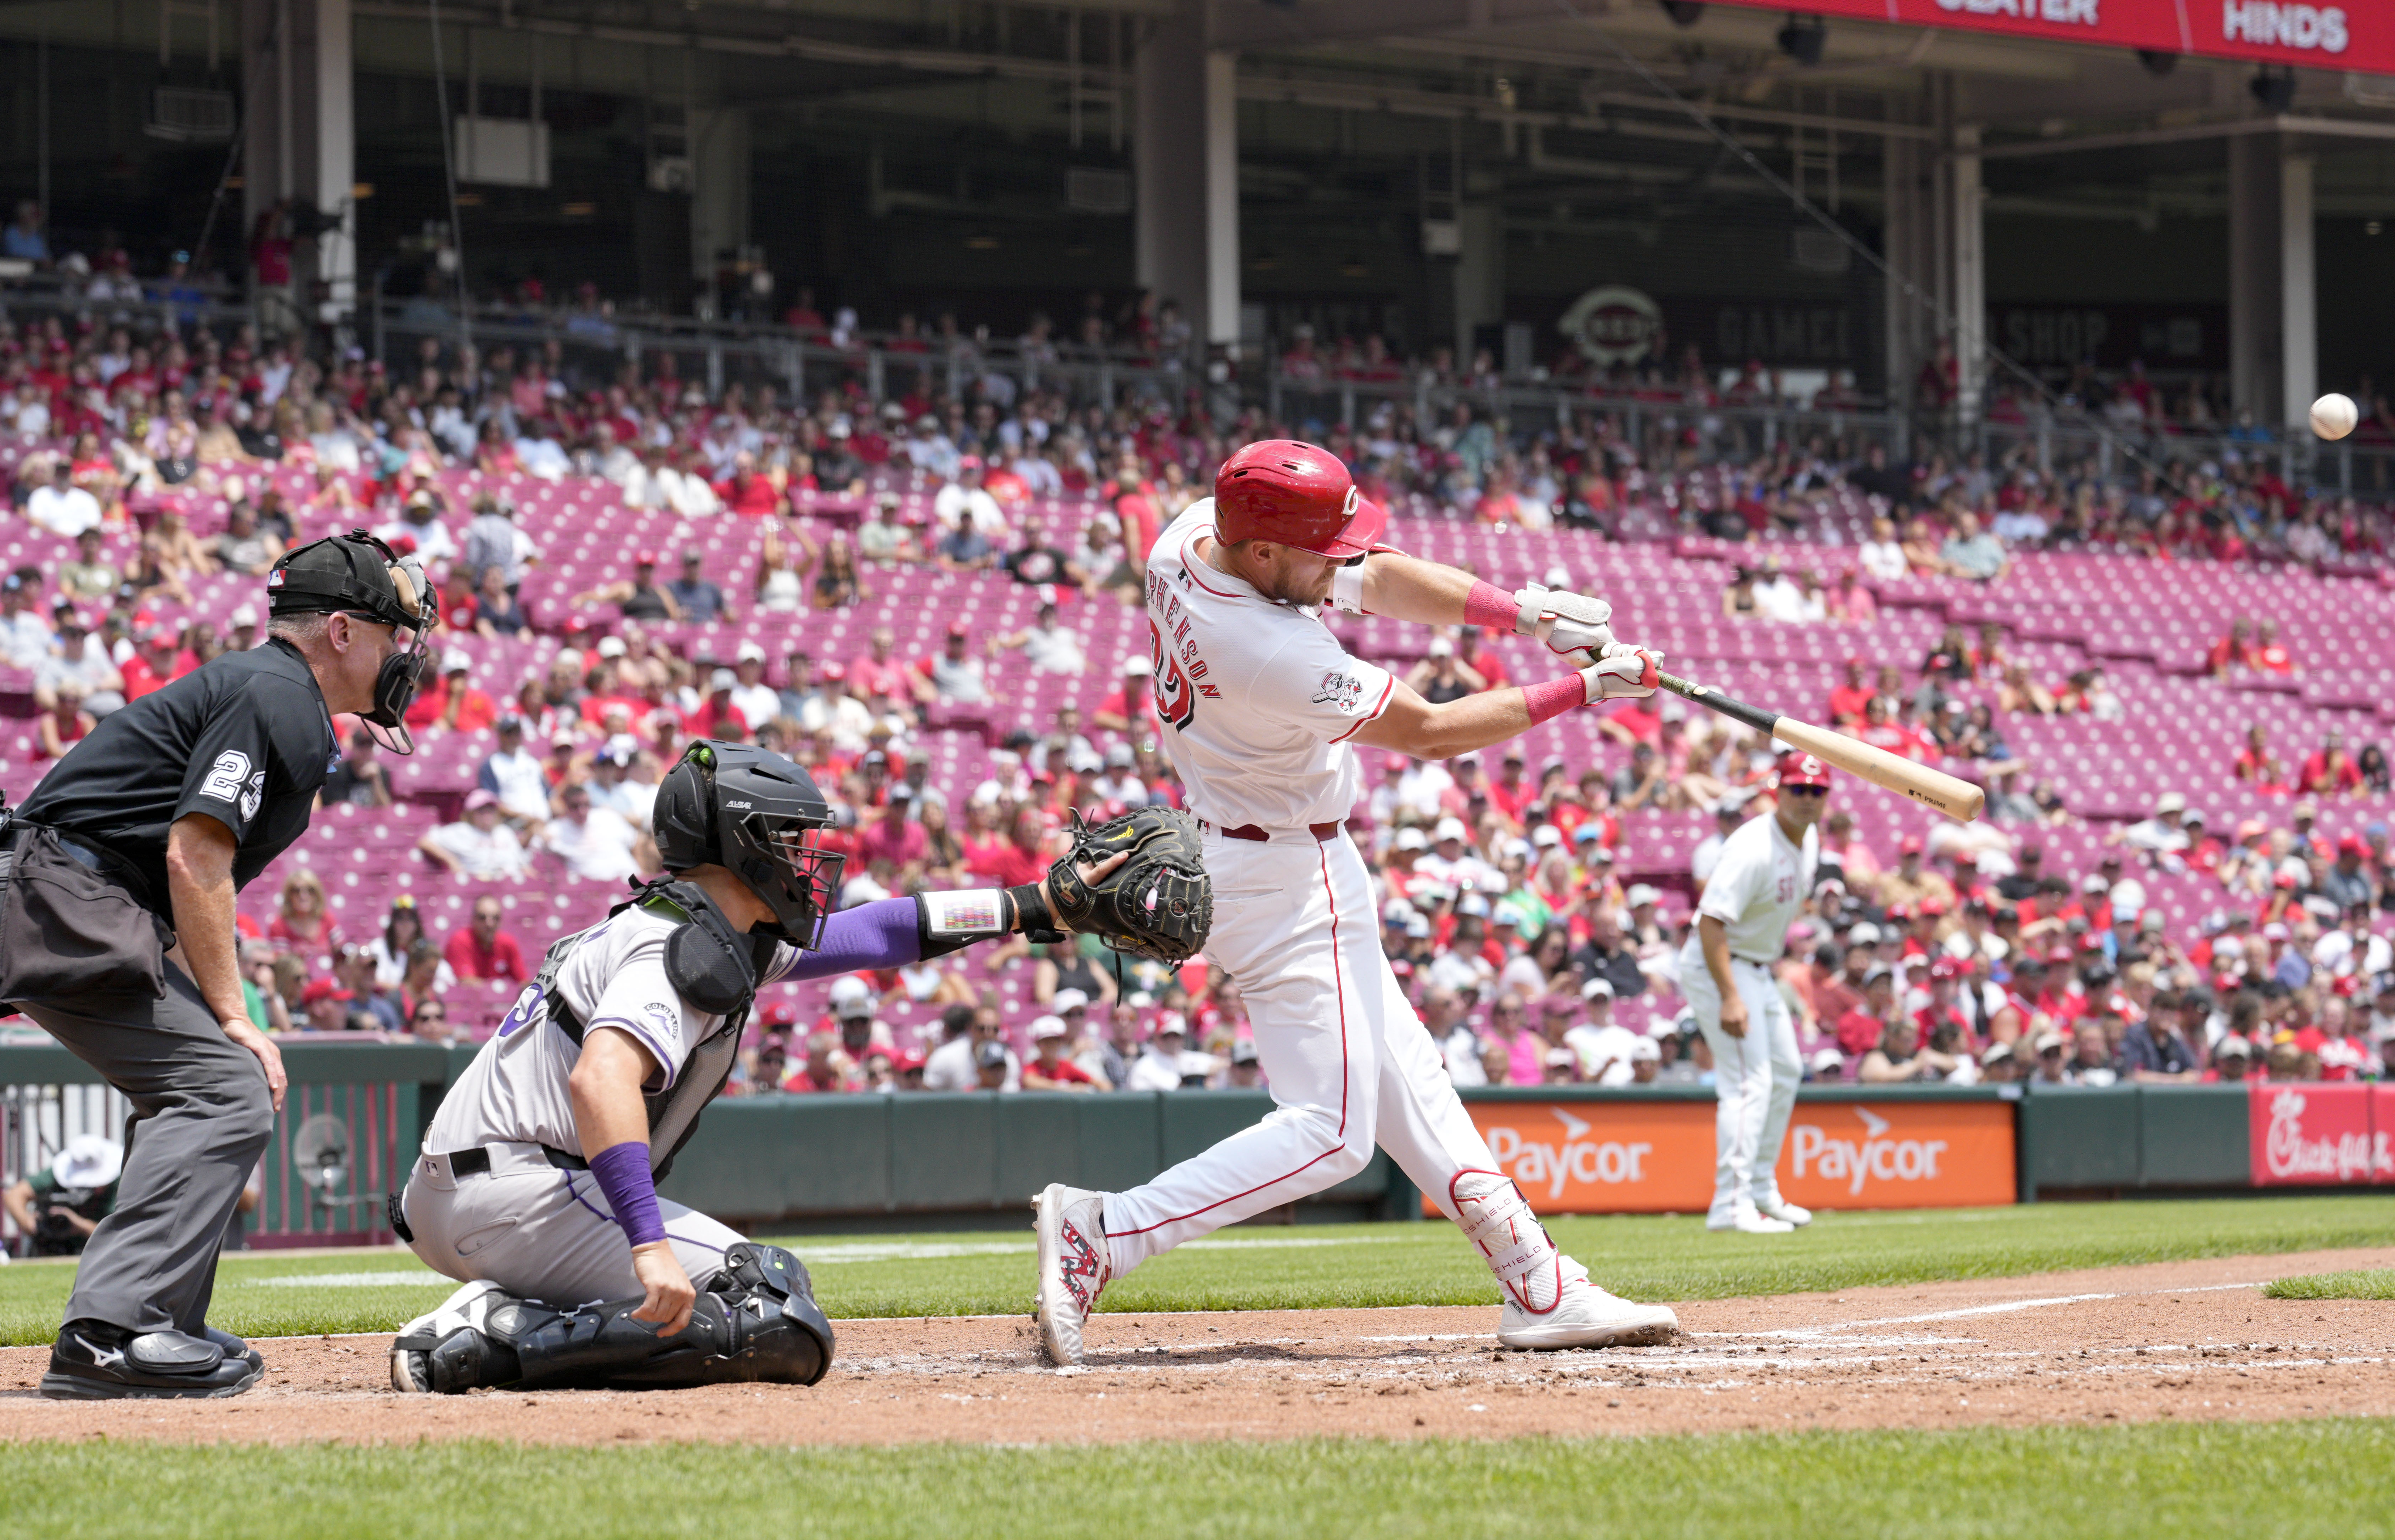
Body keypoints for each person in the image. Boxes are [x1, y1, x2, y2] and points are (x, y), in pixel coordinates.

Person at [1030, 438, 1676, 1365]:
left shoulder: (1188, 538)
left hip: (1264, 849)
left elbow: (1368, 577)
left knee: (1407, 1077)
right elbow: (1431, 730)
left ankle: (1541, 1284)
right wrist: (1577, 686)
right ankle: (1107, 1232)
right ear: (1261, 552)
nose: (1336, 558)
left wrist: (1523, 610)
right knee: (1335, 1135)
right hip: (1287, 878)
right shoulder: (1265, 646)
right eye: (1315, 548)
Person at [384, 741, 1131, 1393]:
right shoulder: (678, 948)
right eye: (789, 837)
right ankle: (498, 1337)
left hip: (471, 1191)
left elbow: (878, 932)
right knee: (772, 1312)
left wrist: (1032, 904)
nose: (805, 857)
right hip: (522, 1194)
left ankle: (511, 1315)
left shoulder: (701, 926)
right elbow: (600, 1079)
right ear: (742, 843)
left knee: (771, 1293)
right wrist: (648, 1246)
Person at [0, 530, 435, 1397]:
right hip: (60, 893)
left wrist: (230, 1013)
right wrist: (236, 1016)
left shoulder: (278, 693)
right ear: (340, 631)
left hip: (68, 894)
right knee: (225, 1086)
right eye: (391, 634)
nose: (402, 654)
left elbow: (192, 882)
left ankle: (162, 1317)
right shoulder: (277, 693)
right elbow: (194, 860)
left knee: (212, 1081)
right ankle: (109, 1333)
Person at [1686, 751, 1827, 1235]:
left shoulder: (1808, 839)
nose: (1807, 799)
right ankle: (1728, 1203)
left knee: (1786, 1070)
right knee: (1749, 1083)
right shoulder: (1753, 847)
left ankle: (1760, 1187)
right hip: (1720, 963)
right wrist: (1729, 995)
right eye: (1797, 789)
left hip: (1757, 966)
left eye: (1816, 791)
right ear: (1777, 791)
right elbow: (1710, 923)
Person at [2, 1135, 125, 1258]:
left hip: (104, 1254)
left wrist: (80, 1226)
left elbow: (121, 1236)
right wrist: (29, 1225)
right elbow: (15, 1195)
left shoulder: (121, 1183)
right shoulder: (57, 1175)